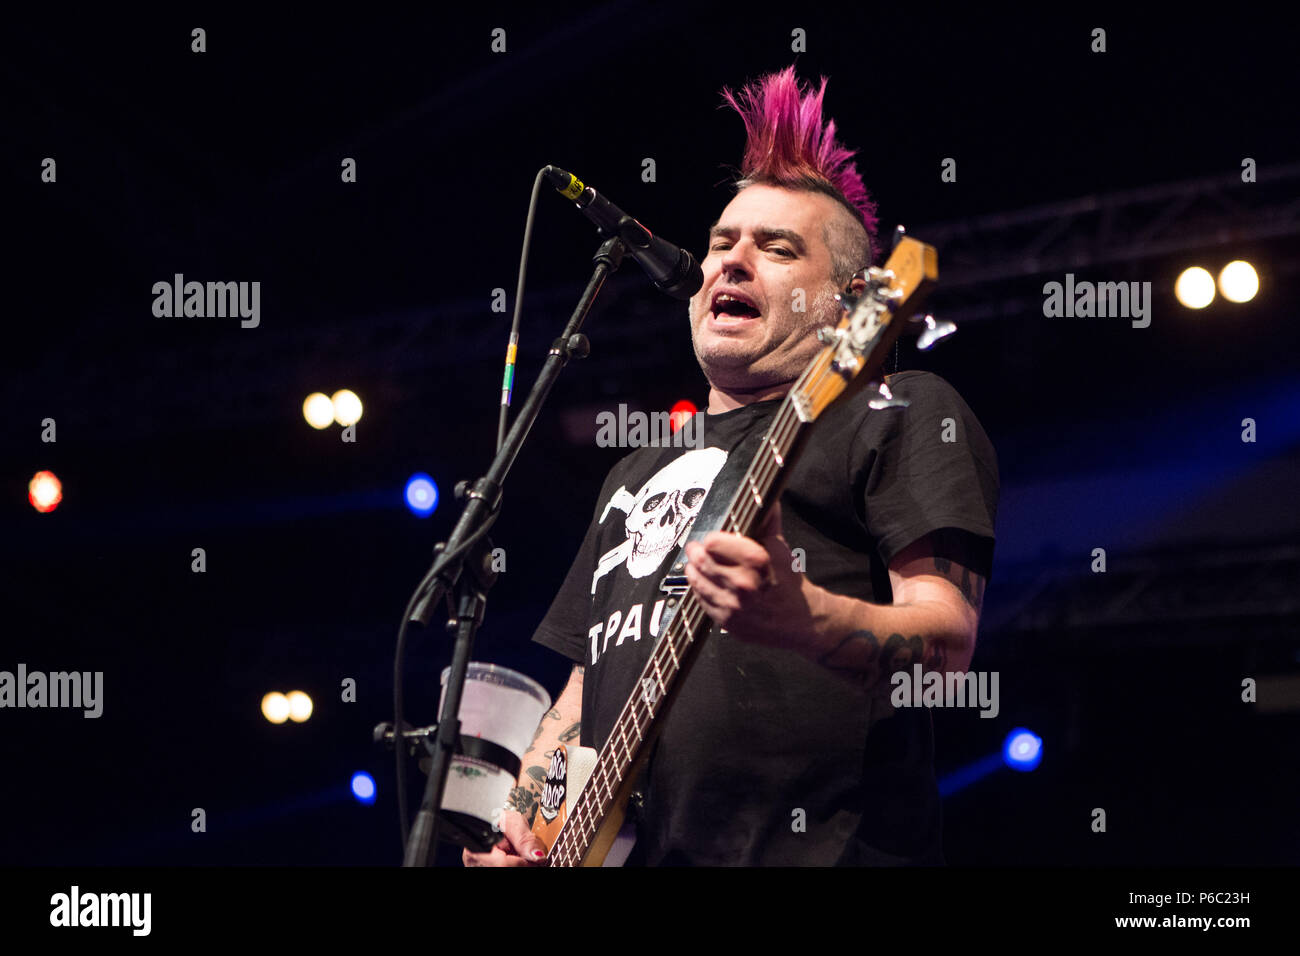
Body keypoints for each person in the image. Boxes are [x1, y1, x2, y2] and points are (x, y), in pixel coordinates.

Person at [463, 66, 998, 867]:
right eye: (721, 244)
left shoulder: (898, 409)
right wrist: (532, 829)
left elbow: (948, 644)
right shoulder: (635, 473)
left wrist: (804, 615)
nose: (732, 262)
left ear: (848, 308)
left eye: (777, 249)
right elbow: (590, 682)